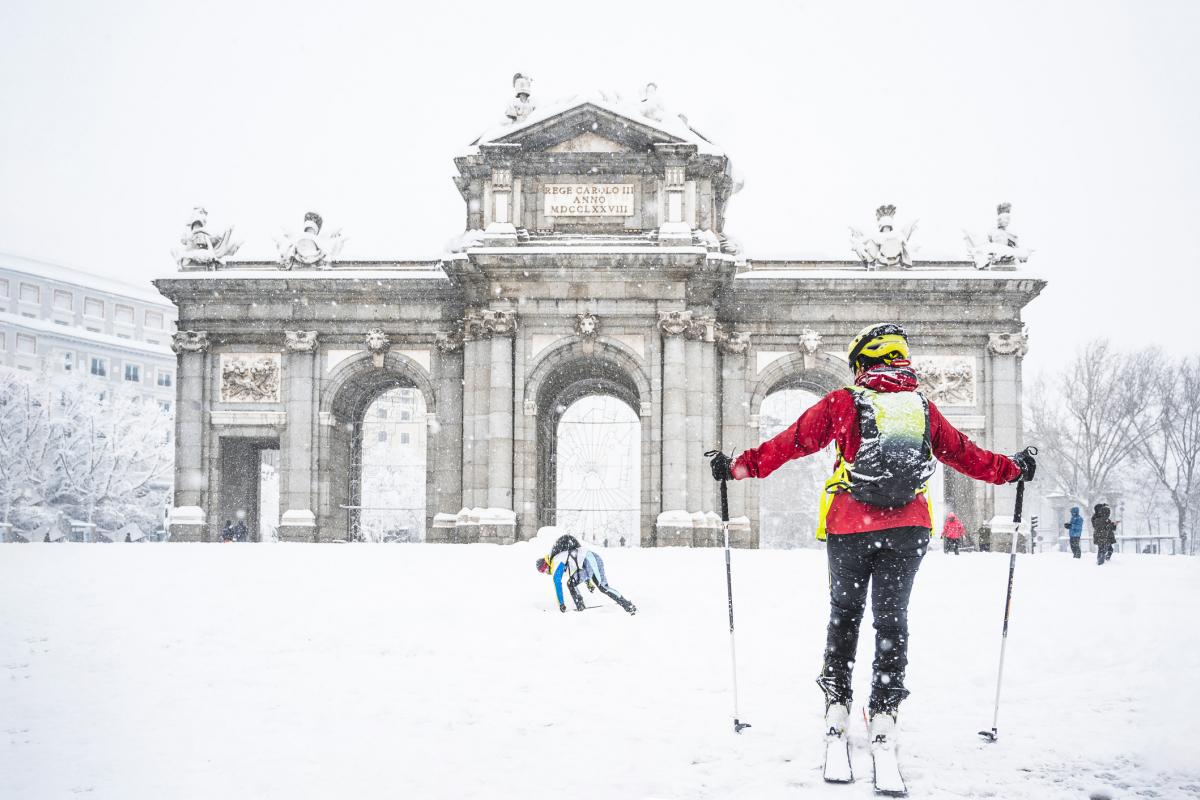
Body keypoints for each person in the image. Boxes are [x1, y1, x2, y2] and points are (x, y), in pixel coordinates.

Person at [707, 322, 1035, 755]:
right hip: (908, 528)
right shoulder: (923, 408)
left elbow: (793, 442)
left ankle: (838, 704)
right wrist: (1012, 468)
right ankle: (884, 708)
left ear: (862, 364)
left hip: (850, 527)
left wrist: (738, 467)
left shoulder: (844, 403)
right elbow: (964, 454)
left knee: (845, 615)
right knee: (892, 620)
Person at [535, 534, 636, 615]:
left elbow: (557, 582)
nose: (546, 572)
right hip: (586, 563)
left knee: (603, 587)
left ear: (546, 564)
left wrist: (561, 604)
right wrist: (589, 583)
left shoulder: (555, 562)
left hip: (591, 559)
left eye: (544, 569)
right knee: (571, 583)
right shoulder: (558, 560)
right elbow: (578, 568)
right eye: (542, 572)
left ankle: (628, 605)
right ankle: (581, 607)